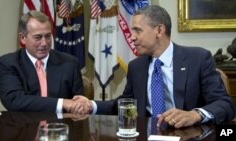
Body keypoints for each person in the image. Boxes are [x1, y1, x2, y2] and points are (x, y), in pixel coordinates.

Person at [90, 5, 235, 128]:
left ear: (159, 30)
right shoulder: (136, 66)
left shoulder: (198, 59)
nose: (132, 37)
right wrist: (91, 106)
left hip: (188, 134)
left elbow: (225, 104)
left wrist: (195, 114)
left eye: (137, 30)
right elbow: (125, 105)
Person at [0, 10, 89, 113]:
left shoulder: (70, 63)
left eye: (48, 36)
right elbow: (14, 101)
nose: (44, 43)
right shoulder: (8, 63)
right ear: (22, 38)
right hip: (24, 127)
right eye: (38, 37)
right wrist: (63, 103)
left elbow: (79, 105)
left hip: (60, 127)